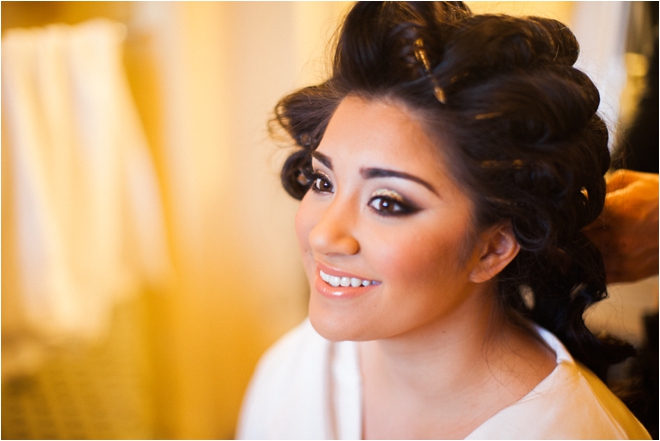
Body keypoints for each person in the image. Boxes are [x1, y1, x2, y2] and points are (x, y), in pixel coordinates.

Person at [238, 2, 651, 439]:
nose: (324, 235)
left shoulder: (569, 430)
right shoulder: (296, 370)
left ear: (492, 248)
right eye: (323, 182)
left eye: (387, 203)